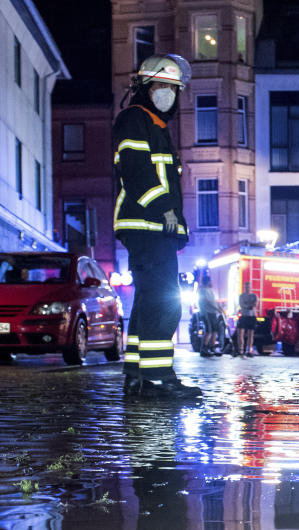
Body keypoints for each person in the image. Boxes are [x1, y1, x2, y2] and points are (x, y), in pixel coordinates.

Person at [114, 53, 201, 399]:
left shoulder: (155, 125)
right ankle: (156, 380)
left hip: (154, 228)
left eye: (173, 88)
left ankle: (136, 376)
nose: (169, 93)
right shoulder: (136, 120)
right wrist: (166, 212)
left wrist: (176, 226)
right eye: (162, 86)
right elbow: (137, 171)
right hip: (148, 225)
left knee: (148, 300)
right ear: (144, 88)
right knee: (164, 303)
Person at [197, 275, 225, 357]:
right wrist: (216, 308)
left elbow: (214, 302)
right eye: (210, 281)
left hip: (212, 313)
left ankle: (212, 347)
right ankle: (204, 348)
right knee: (209, 330)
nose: (211, 282)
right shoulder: (202, 291)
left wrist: (220, 308)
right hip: (206, 313)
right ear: (207, 281)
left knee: (214, 331)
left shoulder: (210, 291)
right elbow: (206, 301)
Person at [236, 282, 258, 357]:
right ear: (244, 288)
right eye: (246, 287)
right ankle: (240, 350)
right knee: (240, 333)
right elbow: (241, 304)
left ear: (250, 287)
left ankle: (249, 350)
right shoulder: (241, 296)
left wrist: (247, 304)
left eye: (248, 287)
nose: (247, 288)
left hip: (252, 316)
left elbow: (254, 304)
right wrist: (248, 304)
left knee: (250, 334)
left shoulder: (254, 296)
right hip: (244, 315)